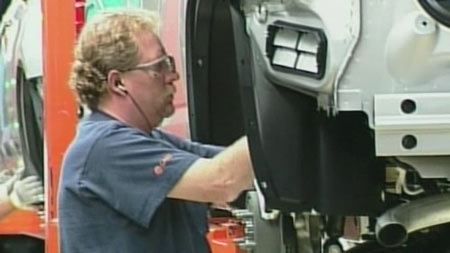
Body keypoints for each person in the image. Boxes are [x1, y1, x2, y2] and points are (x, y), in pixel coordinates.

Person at [58, 9, 254, 253]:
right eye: (159, 67)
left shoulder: (150, 140)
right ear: (118, 83)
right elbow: (221, 180)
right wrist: (283, 124)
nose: (173, 76)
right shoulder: (105, 147)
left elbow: (234, 166)